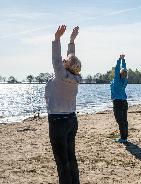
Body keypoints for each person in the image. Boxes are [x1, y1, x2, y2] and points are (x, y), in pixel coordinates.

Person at [45, 25, 81, 184]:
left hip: (58, 122)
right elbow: (71, 59)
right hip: (72, 120)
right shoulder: (74, 77)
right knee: (70, 156)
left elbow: (56, 58)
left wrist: (57, 39)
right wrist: (72, 41)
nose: (63, 59)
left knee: (62, 161)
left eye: (64, 61)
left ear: (65, 66)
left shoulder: (60, 75)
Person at [111, 54, 129, 143]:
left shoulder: (117, 80)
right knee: (124, 120)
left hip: (118, 102)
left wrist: (119, 59)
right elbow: (124, 69)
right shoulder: (125, 79)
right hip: (124, 102)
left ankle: (123, 138)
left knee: (120, 120)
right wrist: (123, 60)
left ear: (119, 74)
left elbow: (117, 68)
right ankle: (125, 136)